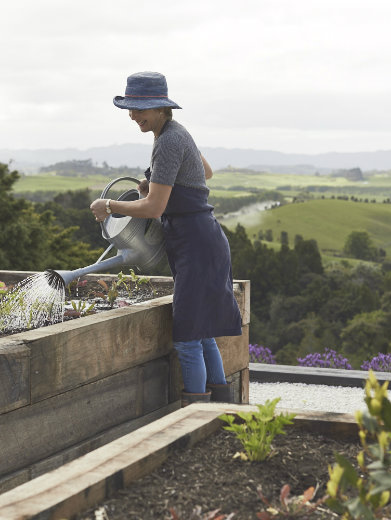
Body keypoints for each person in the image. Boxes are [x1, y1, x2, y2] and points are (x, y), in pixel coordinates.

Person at [90, 71, 242, 406]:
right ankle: (221, 409)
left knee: (188, 337)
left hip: (196, 244)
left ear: (161, 108)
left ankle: (195, 417)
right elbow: (204, 172)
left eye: (139, 108)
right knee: (202, 335)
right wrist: (157, 181)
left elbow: (155, 206)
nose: (132, 115)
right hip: (202, 240)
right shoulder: (174, 133)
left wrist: (109, 205)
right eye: (129, 108)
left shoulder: (168, 140)